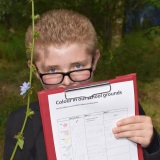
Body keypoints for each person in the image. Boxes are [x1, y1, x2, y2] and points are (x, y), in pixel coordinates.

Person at [3, 9, 160, 160]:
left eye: (78, 66)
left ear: (94, 61)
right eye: (52, 70)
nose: (67, 81)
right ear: (34, 70)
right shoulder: (21, 123)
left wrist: (152, 144)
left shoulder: (126, 108)